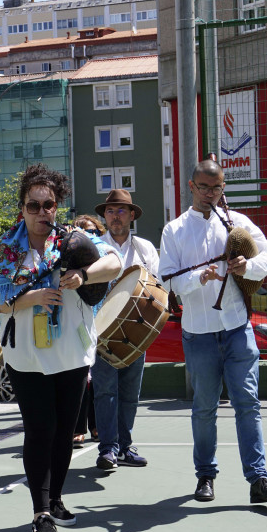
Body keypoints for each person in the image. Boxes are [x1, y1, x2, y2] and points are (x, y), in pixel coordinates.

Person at [0, 164, 122, 532]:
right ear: (22, 208)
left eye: (49, 204)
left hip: (72, 350)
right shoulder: (3, 250)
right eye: (34, 205)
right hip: (26, 353)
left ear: (57, 206)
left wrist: (84, 275)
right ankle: (40, 511)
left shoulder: (74, 239)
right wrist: (33, 297)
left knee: (65, 431)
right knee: (40, 430)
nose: (42, 212)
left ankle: (57, 500)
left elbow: (114, 262)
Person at [158, 157, 267, 504]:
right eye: (204, 187)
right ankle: (205, 475)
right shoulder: (175, 230)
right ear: (191, 186)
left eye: (216, 188)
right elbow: (165, 277)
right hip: (198, 331)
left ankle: (259, 479)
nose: (210, 194)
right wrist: (196, 277)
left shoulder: (237, 223)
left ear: (223, 187)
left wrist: (249, 265)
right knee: (204, 407)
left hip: (237, 327)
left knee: (248, 403)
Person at [91, 189, 160, 470]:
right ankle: (108, 448)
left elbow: (157, 287)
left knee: (130, 392)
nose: (115, 216)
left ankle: (125, 446)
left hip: (136, 331)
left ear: (132, 215)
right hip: (102, 332)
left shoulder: (145, 248)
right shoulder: (92, 247)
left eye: (121, 211)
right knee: (105, 391)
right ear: (104, 216)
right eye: (110, 211)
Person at [70, 214, 106, 447]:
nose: (88, 235)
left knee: (99, 383)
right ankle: (77, 428)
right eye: (82, 231)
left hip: (103, 323)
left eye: (92, 231)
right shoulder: (71, 260)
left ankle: (96, 426)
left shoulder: (105, 256)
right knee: (81, 378)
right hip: (78, 324)